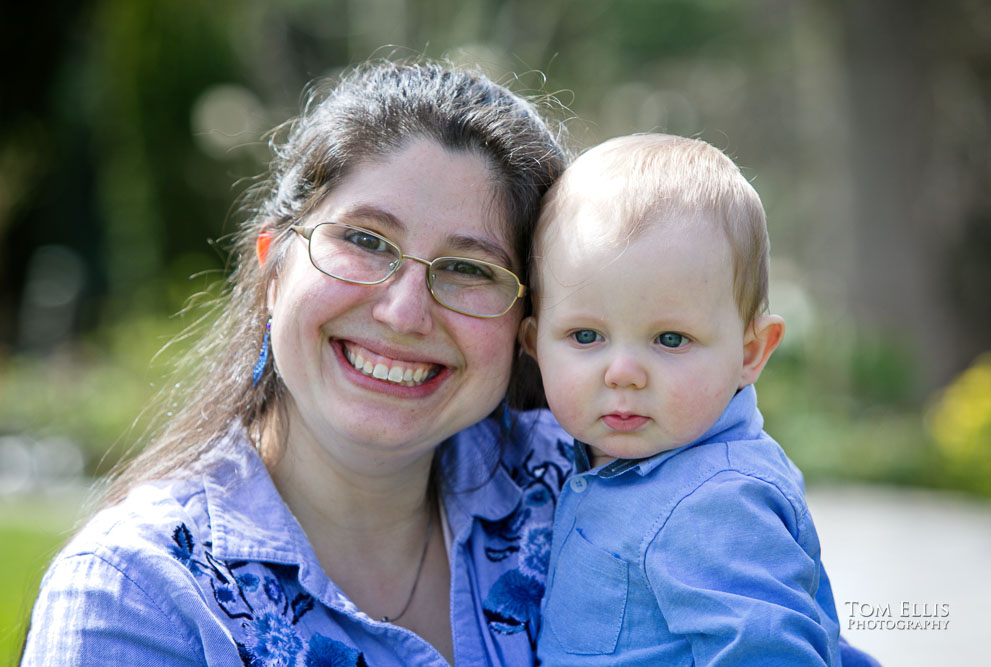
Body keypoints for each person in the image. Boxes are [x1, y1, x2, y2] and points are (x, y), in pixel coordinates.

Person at [21, 60, 576, 666]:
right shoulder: (139, 595)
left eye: (469, 268)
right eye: (365, 240)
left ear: (529, 320)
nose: (404, 312)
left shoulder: (584, 485)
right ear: (273, 267)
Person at [520, 133, 865, 665]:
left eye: (670, 339)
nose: (623, 373)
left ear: (750, 352)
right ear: (533, 344)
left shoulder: (716, 503)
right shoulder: (609, 460)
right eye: (586, 336)